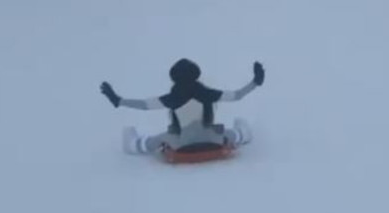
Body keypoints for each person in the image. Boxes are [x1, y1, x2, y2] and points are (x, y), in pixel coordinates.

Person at [99, 58, 265, 155]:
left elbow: (144, 105)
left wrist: (119, 100)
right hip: (212, 141)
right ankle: (242, 134)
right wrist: (255, 82)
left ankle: (136, 144)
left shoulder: (173, 98)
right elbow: (237, 95)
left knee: (160, 138)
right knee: (228, 133)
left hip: (183, 144)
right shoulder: (206, 93)